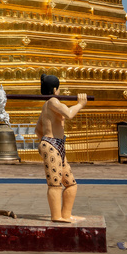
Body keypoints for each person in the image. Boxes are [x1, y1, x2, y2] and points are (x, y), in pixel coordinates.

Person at [34, 74, 87, 223]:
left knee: (70, 183)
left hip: (55, 144)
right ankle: (56, 216)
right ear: (55, 89)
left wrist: (45, 141)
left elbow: (38, 130)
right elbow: (69, 114)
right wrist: (80, 104)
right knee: (55, 183)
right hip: (52, 145)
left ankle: (66, 214)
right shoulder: (52, 101)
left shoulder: (46, 107)